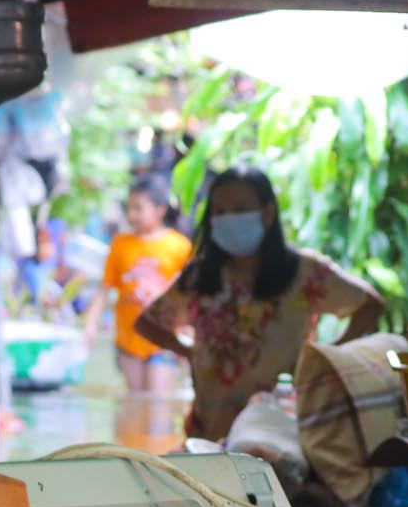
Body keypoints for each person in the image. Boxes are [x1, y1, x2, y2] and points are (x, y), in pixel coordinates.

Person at [134, 163, 384, 441]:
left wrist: (326, 359)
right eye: (219, 211)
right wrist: (188, 351)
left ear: (267, 213)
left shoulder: (305, 273)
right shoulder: (200, 276)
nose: (228, 218)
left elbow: (370, 305)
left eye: (240, 210)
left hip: (282, 433)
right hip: (210, 430)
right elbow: (146, 323)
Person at [83, 175, 192, 394]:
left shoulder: (178, 246)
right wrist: (91, 323)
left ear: (160, 210)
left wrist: (190, 330)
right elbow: (105, 287)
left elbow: (190, 292)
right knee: (136, 399)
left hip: (165, 338)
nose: (132, 214)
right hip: (128, 338)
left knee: (158, 404)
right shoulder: (120, 244)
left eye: (139, 208)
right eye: (129, 208)